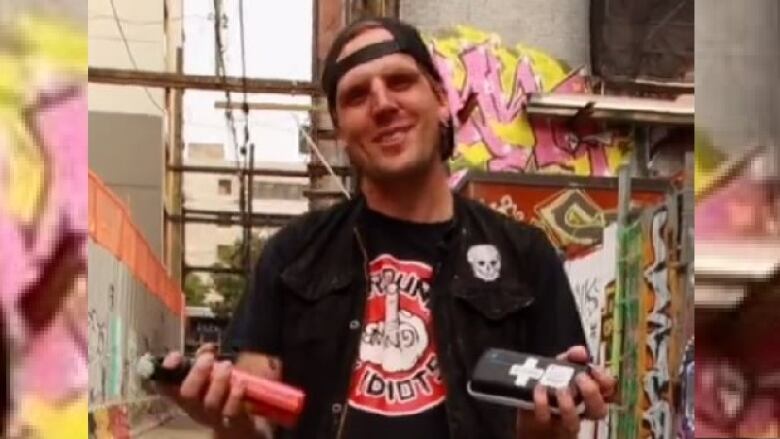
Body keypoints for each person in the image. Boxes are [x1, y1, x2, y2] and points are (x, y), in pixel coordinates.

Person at [160, 17, 616, 439]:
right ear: (340, 130)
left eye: (400, 81)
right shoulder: (292, 256)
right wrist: (227, 417)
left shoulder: (524, 255)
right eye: (357, 96)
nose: (382, 104)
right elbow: (254, 422)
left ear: (441, 99)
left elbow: (557, 421)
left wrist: (549, 428)